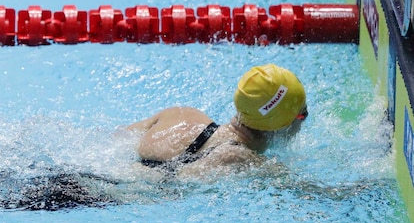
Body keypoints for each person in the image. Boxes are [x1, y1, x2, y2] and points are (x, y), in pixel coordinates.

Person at [122, 63, 308, 174]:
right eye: (302, 114)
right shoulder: (241, 159)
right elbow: (310, 193)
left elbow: (119, 136)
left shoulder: (181, 114)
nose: (303, 121)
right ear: (280, 125)